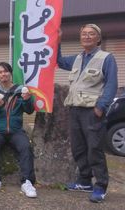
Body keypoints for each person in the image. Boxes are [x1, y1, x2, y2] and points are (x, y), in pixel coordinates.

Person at [57, 24, 118, 203]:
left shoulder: (106, 58)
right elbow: (59, 62)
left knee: (94, 149)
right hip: (75, 109)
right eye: (84, 34)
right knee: (78, 148)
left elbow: (111, 84)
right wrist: (58, 41)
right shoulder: (77, 58)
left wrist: (101, 106)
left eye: (92, 34)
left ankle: (100, 185)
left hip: (92, 111)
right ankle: (84, 181)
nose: (87, 37)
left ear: (98, 39)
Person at [0, 62, 37, 198]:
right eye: (0, 72)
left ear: (10, 73)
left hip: (16, 130)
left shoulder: (21, 90)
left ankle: (27, 182)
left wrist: (27, 100)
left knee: (25, 146)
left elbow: (30, 110)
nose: (3, 74)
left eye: (6, 71)